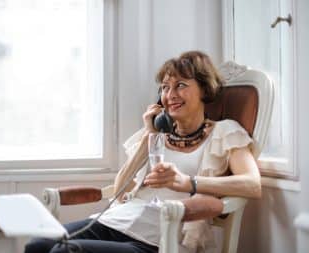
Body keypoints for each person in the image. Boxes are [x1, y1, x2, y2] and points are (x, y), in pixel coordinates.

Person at [24, 51, 261, 253]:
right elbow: (119, 189)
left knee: (64, 251)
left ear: (204, 89)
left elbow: (252, 184)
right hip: (116, 221)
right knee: (37, 246)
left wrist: (188, 182)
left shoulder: (224, 132)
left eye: (180, 85)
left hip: (157, 238)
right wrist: (149, 134)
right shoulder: (156, 133)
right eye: (165, 88)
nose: (170, 95)